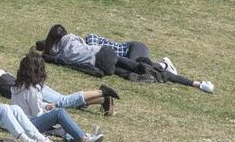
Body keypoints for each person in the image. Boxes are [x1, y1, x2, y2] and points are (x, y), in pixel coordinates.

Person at [40, 25, 214, 93]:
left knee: (129, 69)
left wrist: (46, 47)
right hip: (105, 54)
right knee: (141, 66)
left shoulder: (58, 55)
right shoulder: (72, 39)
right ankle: (189, 81)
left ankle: (155, 72)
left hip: (104, 65)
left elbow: (45, 46)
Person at [0, 46, 119, 115]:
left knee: (62, 101)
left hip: (23, 85)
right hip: (24, 81)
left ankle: (102, 91)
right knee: (61, 103)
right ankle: (103, 100)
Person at [10, 53, 105, 142]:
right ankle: (85, 139)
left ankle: (83, 138)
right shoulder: (32, 89)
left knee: (63, 123)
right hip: (28, 126)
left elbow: (27, 107)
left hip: (21, 125)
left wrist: (45, 106)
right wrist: (49, 113)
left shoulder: (17, 85)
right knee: (60, 113)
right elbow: (36, 113)